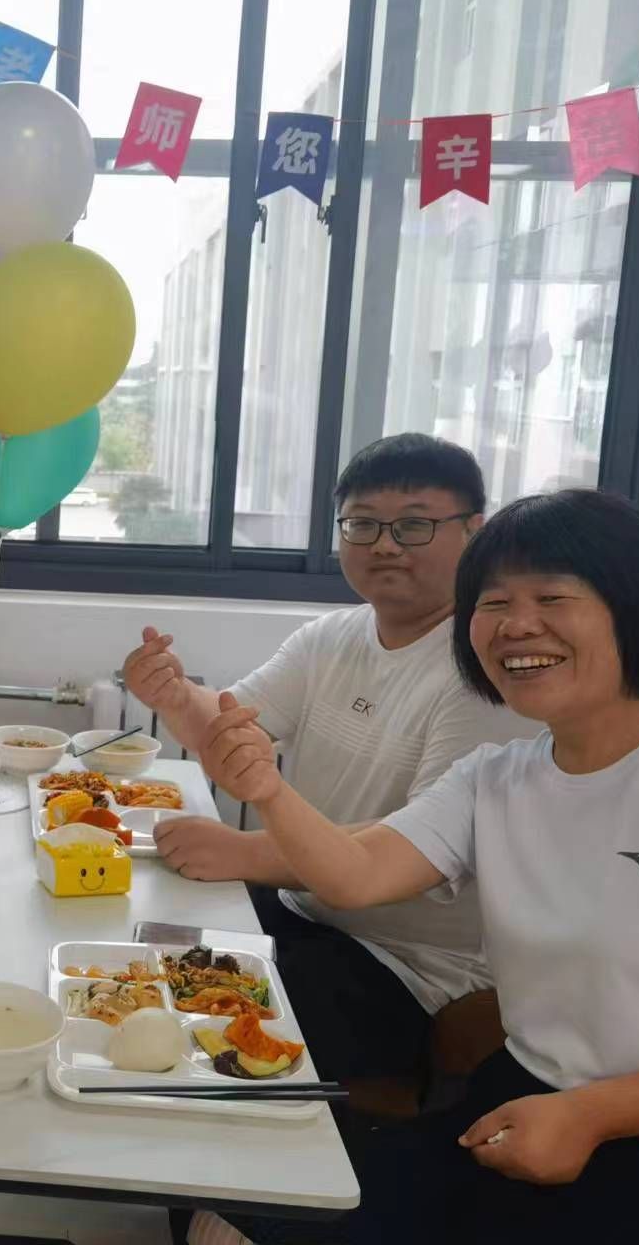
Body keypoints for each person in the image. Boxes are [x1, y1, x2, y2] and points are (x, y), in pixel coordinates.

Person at [197, 489, 639, 1243]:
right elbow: (356, 873)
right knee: (242, 1180)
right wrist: (268, 791)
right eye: (493, 602)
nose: (515, 625)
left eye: (552, 597)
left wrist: (592, 1115)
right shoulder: (494, 777)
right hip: (521, 1099)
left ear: (637, 609)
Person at [124, 434, 529, 1102]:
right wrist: (173, 694)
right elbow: (231, 736)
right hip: (302, 912)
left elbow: (412, 852)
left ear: (475, 532)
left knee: (187, 1028)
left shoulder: (483, 674)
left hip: (404, 968)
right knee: (143, 940)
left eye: (414, 525)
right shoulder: (331, 638)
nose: (385, 545)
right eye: (362, 524)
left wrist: (244, 851)